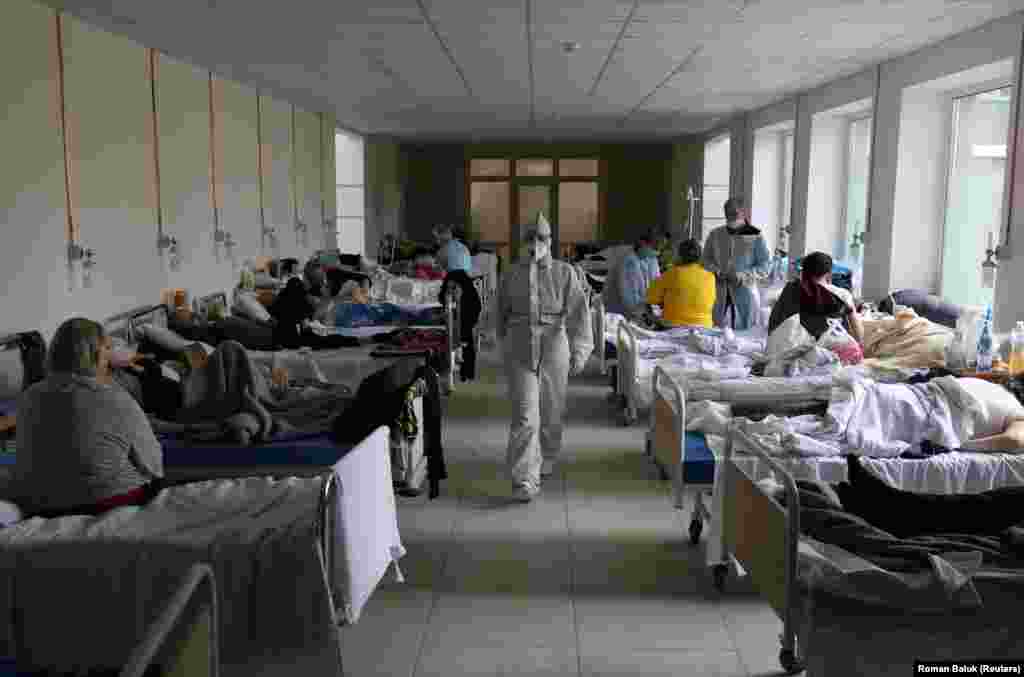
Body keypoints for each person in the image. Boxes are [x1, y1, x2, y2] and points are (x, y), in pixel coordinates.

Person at [12, 318, 164, 517]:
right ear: (97, 353)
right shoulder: (111, 394)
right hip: (106, 501)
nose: (109, 356)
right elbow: (153, 465)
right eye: (107, 348)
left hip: (40, 506)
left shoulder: (28, 396)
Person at [497, 214, 593, 502]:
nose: (536, 244)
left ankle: (548, 453)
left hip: (553, 345)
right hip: (520, 346)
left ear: (550, 241)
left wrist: (580, 350)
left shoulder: (565, 274)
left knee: (551, 411)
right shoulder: (511, 274)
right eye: (531, 238)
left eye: (542, 238)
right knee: (525, 415)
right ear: (523, 242)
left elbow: (579, 314)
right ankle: (524, 478)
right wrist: (501, 342)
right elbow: (499, 313)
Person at [703, 197, 771, 330]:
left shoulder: (755, 235)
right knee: (718, 333)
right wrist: (716, 271)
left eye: (734, 213)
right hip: (719, 292)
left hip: (745, 292)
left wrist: (742, 275)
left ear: (743, 212)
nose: (731, 217)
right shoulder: (715, 235)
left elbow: (765, 266)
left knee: (745, 336)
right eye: (727, 213)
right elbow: (705, 260)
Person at [768, 251, 864, 344]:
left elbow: (774, 325)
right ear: (829, 273)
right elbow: (859, 335)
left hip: (792, 350)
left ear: (804, 271)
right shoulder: (842, 295)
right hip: (830, 353)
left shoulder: (790, 291)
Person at [645, 239, 717, 328]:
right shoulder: (710, 277)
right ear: (699, 257)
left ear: (680, 256)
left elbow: (651, 299)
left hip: (673, 325)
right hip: (704, 326)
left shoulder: (671, 274)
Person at [602, 232, 661, 321]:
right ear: (643, 243)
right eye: (654, 247)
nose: (656, 252)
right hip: (619, 314)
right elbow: (630, 301)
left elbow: (656, 283)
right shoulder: (629, 262)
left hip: (638, 311)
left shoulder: (649, 258)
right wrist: (648, 313)